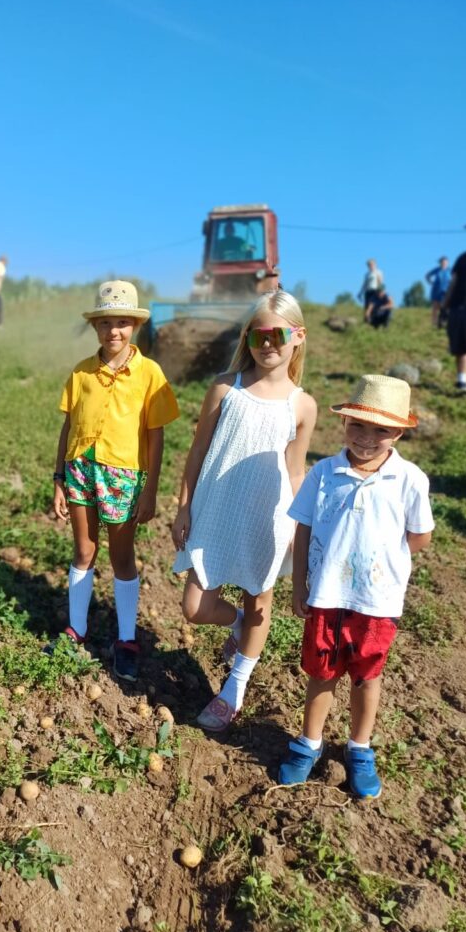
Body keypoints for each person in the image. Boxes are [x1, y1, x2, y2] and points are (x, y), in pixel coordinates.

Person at [278, 375, 433, 799]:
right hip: (326, 594)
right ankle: (310, 741)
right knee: (321, 672)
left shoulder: (409, 480)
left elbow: (418, 536)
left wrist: (382, 562)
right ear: (343, 424)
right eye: (357, 426)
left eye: (380, 429)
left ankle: (359, 747)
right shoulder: (324, 473)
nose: (366, 437)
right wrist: (299, 586)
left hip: (376, 602)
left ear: (398, 432)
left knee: (367, 676)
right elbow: (304, 527)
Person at [171, 290, 317, 731]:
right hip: (215, 511)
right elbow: (198, 450)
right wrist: (182, 506)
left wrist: (296, 525)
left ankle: (233, 690)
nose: (268, 343)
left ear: (298, 337)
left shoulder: (302, 405)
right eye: (258, 334)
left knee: (260, 601)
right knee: (195, 607)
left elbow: (295, 470)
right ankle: (234, 624)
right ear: (248, 337)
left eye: (278, 334)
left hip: (268, 517)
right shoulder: (225, 387)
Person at [52, 280, 179, 682]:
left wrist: (151, 490)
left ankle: (126, 639)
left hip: (123, 476)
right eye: (106, 323)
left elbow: (156, 434)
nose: (114, 331)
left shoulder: (149, 374)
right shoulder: (82, 372)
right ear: (95, 327)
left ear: (135, 327)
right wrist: (58, 477)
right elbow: (69, 424)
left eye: (122, 322)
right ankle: (77, 631)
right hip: (80, 470)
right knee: (83, 552)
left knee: (121, 557)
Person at [441, 251, 466, 393]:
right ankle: (462, 381)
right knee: (461, 347)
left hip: (460, 309)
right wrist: (444, 305)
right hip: (459, 308)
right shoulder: (463, 258)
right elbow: (453, 282)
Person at [425, 256, 451, 328]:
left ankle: (446, 322)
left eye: (445, 262)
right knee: (435, 307)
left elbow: (455, 278)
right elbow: (427, 275)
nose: (443, 264)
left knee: (446, 308)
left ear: (447, 263)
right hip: (436, 291)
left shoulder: (450, 270)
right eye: (442, 262)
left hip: (446, 292)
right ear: (440, 263)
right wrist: (431, 282)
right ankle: (434, 323)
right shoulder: (437, 270)